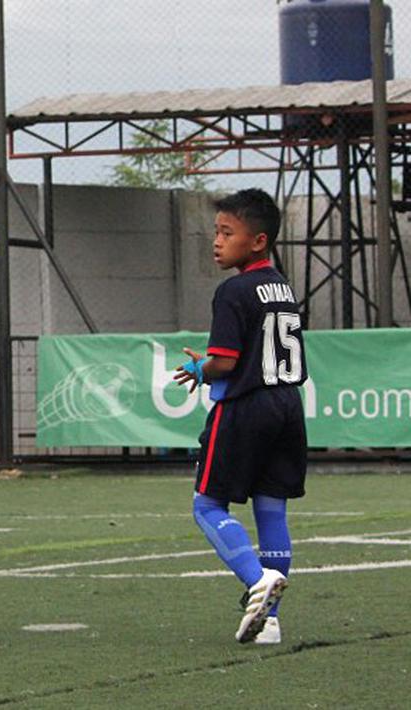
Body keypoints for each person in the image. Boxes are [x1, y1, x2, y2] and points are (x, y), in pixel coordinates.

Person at [174, 188, 307, 644]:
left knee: (207, 505)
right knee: (272, 509)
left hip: (246, 406)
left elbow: (226, 362)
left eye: (227, 233)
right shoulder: (282, 285)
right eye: (216, 232)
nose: (217, 241)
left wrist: (199, 369)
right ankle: (270, 620)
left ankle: (256, 579)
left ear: (258, 241)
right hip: (288, 405)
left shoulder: (233, 290)